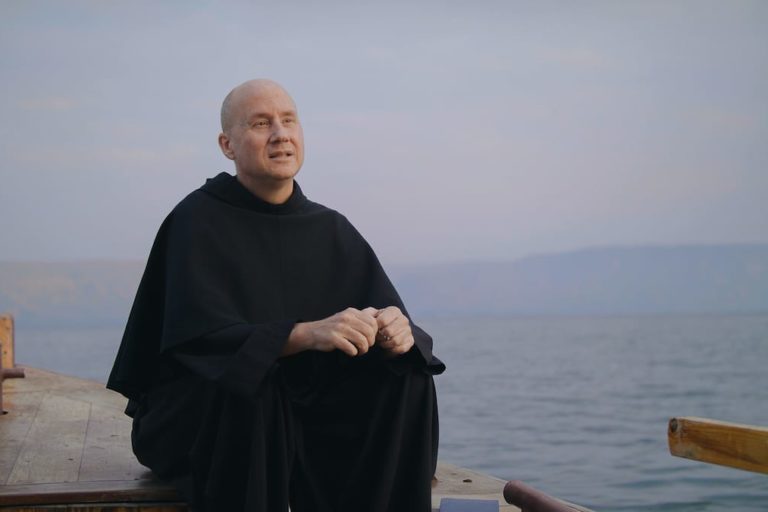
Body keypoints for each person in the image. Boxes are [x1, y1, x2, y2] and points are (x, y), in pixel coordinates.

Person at [107, 79, 445, 512]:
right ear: (227, 145)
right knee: (256, 378)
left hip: (299, 413)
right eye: (261, 123)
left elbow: (382, 313)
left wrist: (398, 330)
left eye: (289, 121)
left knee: (406, 375)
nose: (280, 134)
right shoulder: (195, 220)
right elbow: (197, 346)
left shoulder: (330, 228)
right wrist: (302, 335)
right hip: (198, 415)